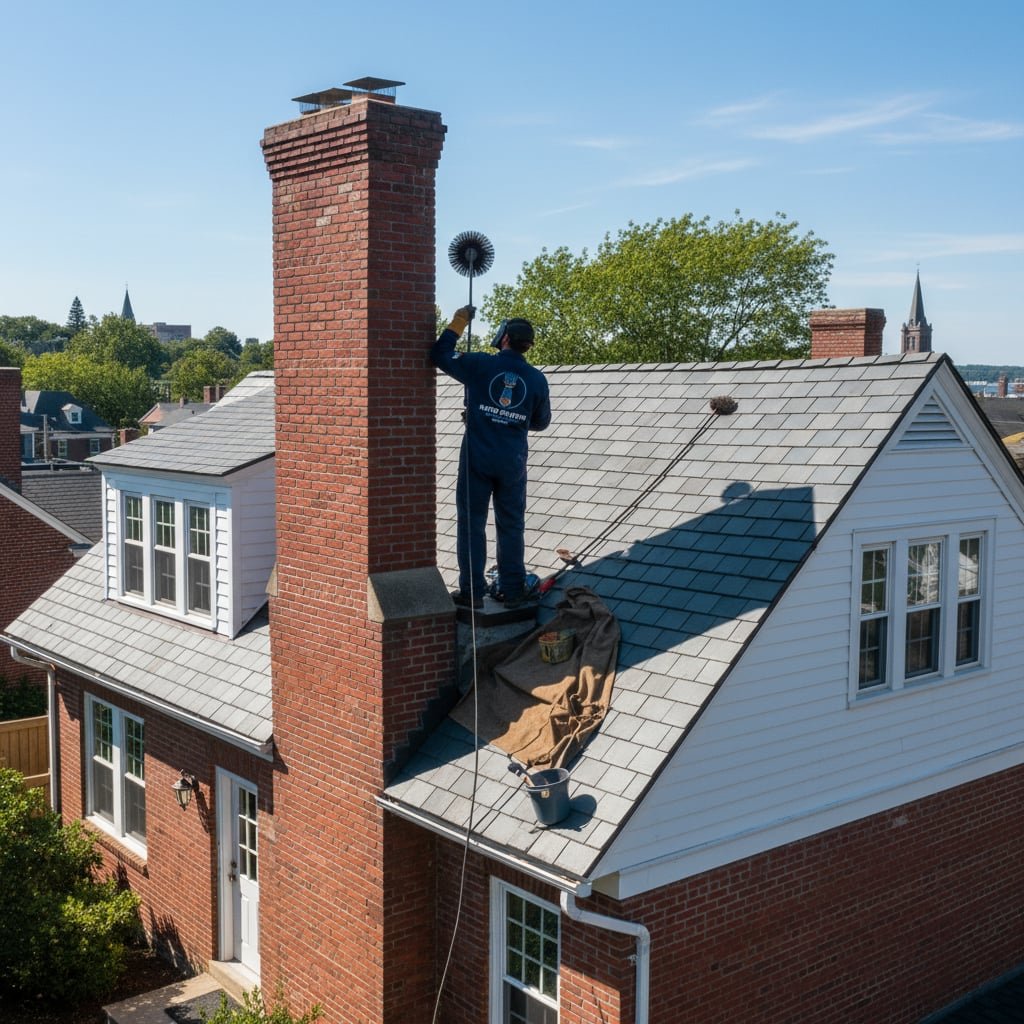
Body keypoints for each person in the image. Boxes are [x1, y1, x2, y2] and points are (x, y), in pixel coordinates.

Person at [431, 307, 551, 610]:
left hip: (478, 459)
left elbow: (440, 354)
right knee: (511, 525)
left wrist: (459, 323)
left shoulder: (480, 364)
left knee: (472, 524)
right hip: (512, 462)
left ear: (505, 338)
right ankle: (512, 590)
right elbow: (540, 422)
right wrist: (512, 416)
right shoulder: (536, 380)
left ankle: (472, 593)